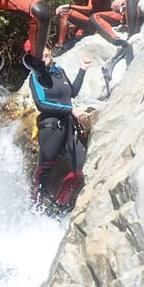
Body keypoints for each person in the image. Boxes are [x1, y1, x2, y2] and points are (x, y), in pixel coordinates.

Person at [27, 42, 92, 212]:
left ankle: (58, 206)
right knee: (44, 170)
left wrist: (82, 70)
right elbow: (41, 104)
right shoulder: (35, 76)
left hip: (68, 126)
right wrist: (71, 110)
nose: (43, 57)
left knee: (79, 168)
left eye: (45, 52)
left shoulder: (59, 71)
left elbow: (72, 92)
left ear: (50, 51)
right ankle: (33, 210)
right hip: (51, 127)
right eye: (38, 55)